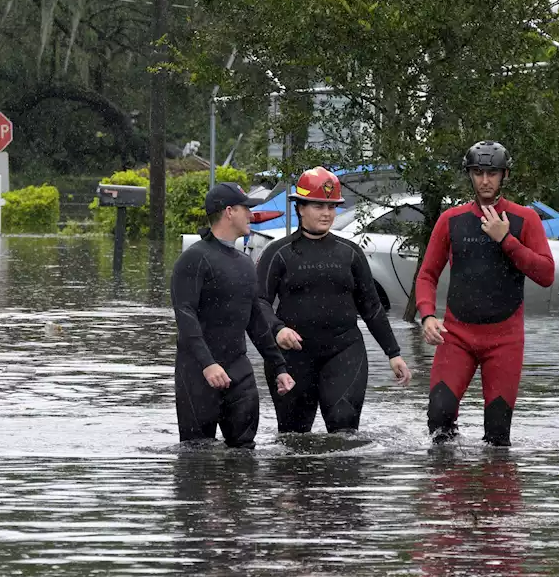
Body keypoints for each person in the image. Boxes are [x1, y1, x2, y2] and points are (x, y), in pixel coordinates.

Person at [418, 141, 556, 447]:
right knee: (438, 419)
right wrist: (427, 315)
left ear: (504, 174)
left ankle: (492, 491)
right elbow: (427, 274)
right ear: (469, 175)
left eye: (491, 173)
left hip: (504, 339)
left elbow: (546, 275)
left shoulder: (525, 219)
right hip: (456, 335)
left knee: (497, 436)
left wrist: (506, 239)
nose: (484, 180)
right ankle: (449, 488)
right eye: (477, 172)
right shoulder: (451, 220)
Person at [257, 167, 412, 434]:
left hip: (344, 351)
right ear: (300, 207)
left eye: (332, 206)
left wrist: (393, 353)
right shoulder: (278, 253)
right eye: (319, 206)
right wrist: (277, 329)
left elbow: (372, 308)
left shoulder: (350, 254)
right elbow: (258, 303)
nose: (327, 213)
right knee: (294, 438)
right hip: (293, 356)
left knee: (343, 429)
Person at [171, 182, 295, 449]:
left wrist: (279, 367)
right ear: (229, 211)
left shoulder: (245, 263)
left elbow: (256, 322)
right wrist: (208, 364)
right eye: (245, 208)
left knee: (244, 453)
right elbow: (185, 316)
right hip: (197, 372)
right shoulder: (194, 260)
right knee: (197, 455)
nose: (251, 214)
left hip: (239, 370)